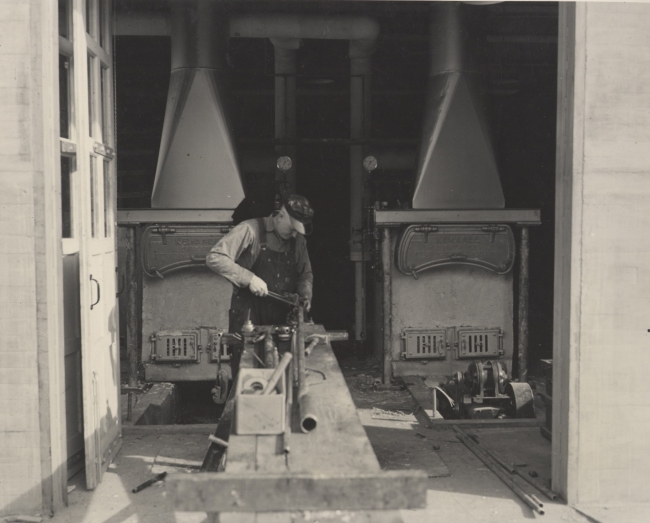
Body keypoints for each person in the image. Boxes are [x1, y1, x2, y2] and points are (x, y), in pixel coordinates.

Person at [206, 194, 314, 376]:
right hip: (249, 314)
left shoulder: (298, 240)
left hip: (282, 317)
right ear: (280, 216)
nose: (295, 234)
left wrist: (305, 295)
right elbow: (215, 257)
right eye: (292, 229)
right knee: (247, 376)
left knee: (283, 376)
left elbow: (305, 274)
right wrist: (249, 278)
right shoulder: (250, 230)